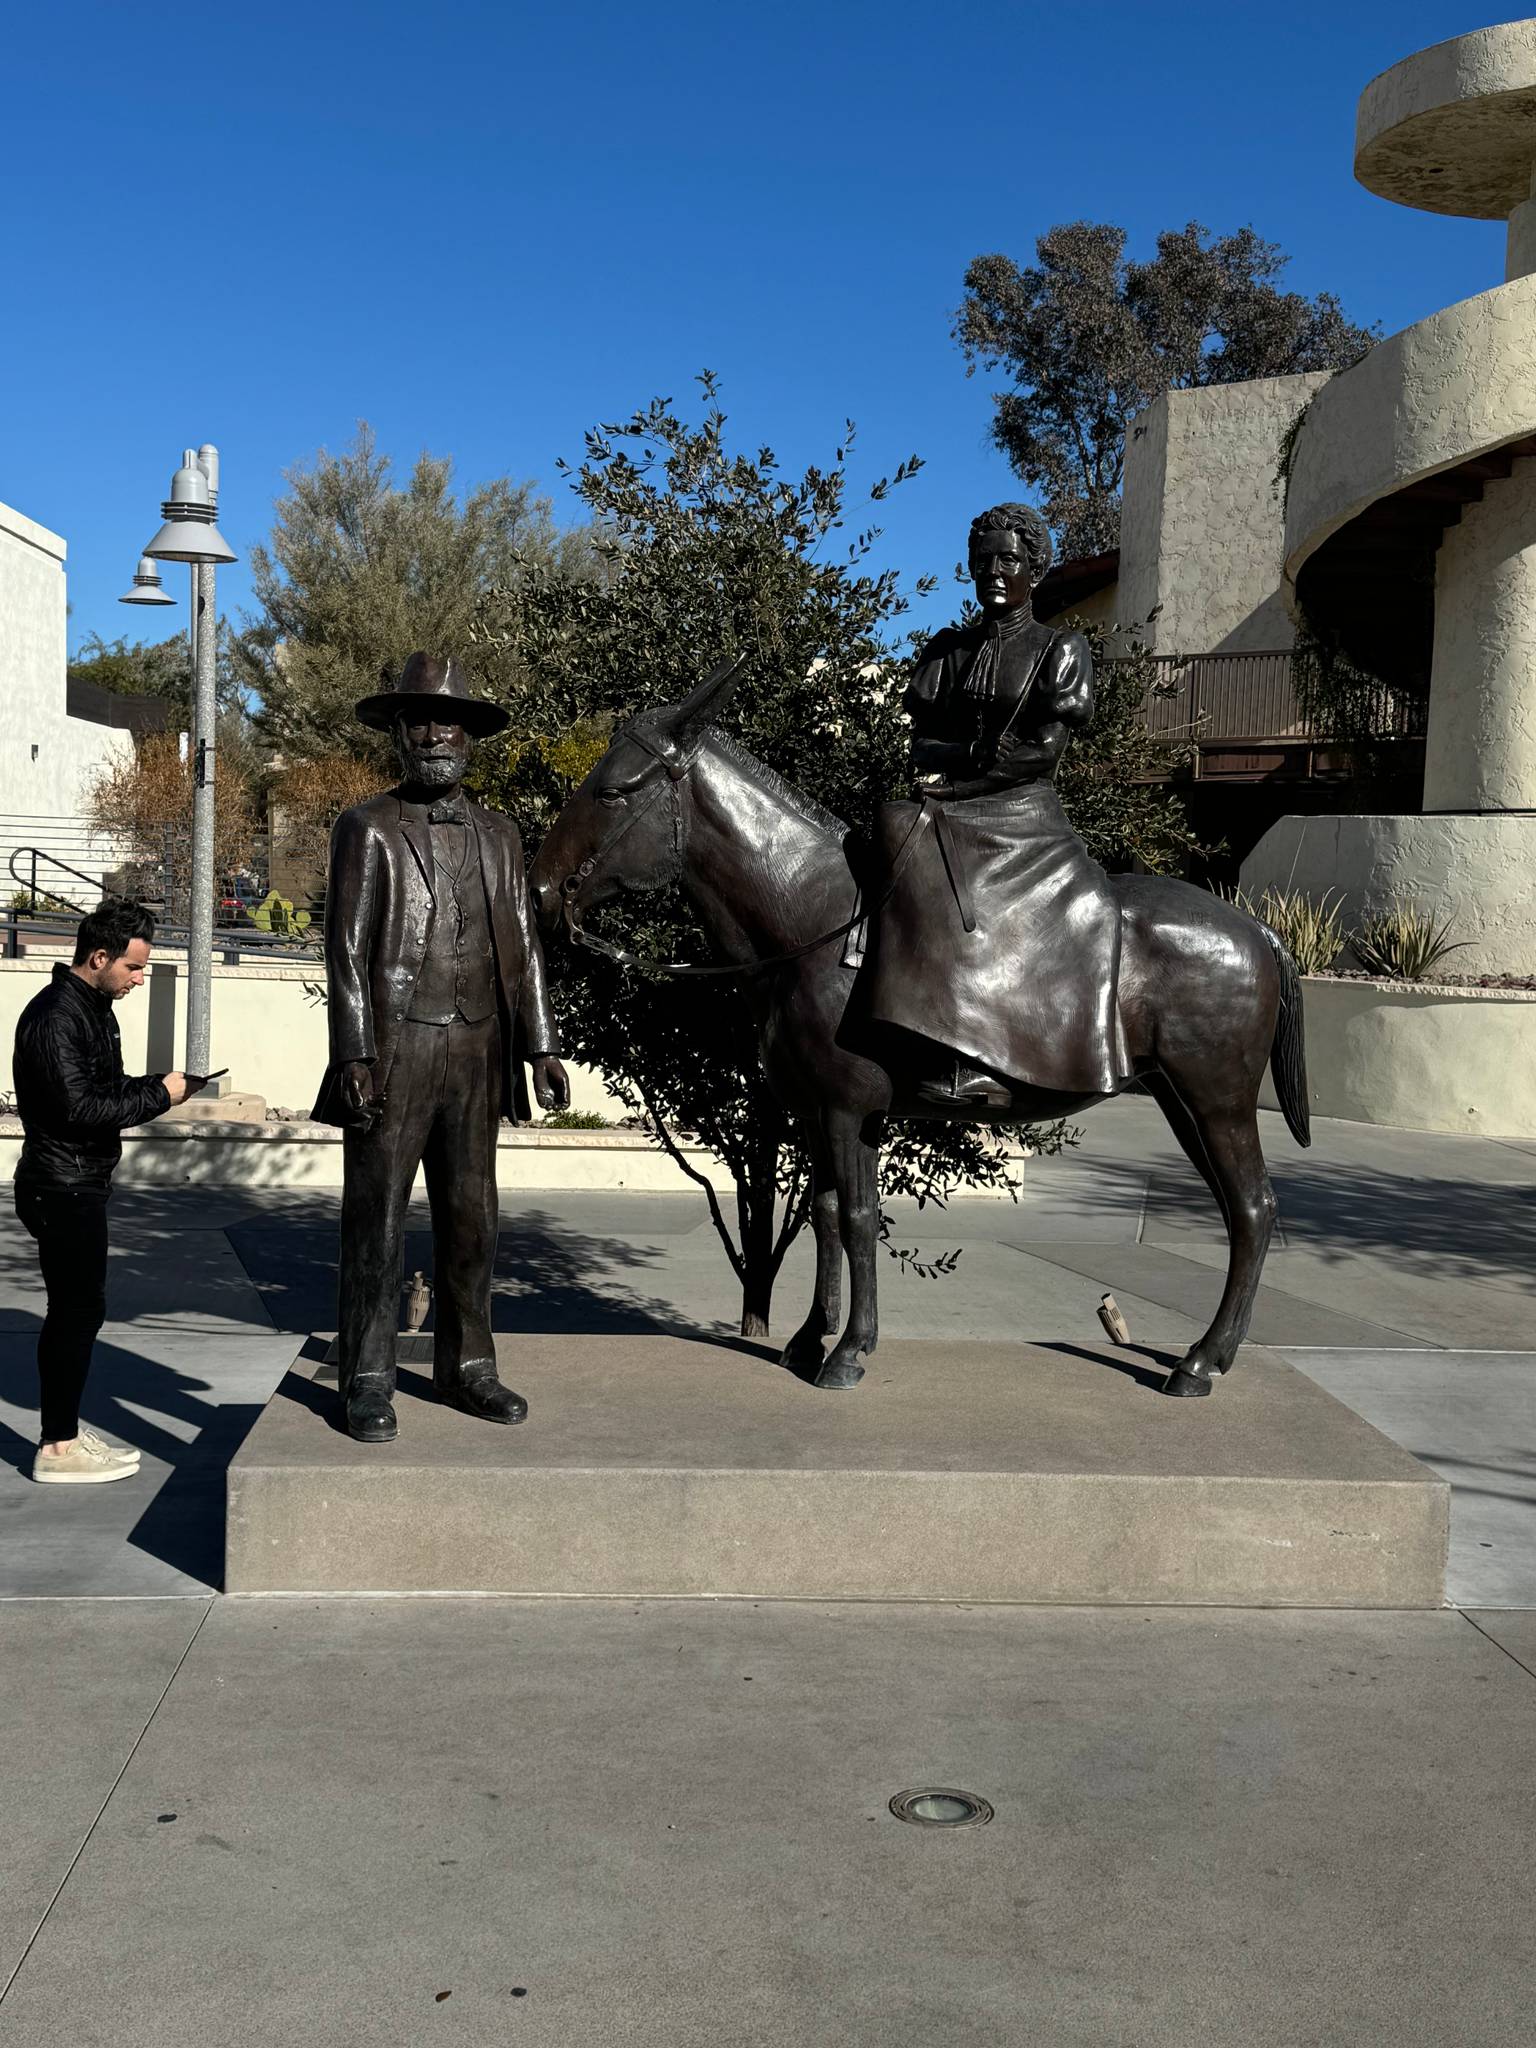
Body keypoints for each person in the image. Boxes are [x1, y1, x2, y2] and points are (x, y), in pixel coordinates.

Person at [312, 652, 569, 1444]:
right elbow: (346, 948)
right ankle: (366, 1377)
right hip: (396, 1050)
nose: (433, 733)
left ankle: (471, 1367)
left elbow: (523, 945)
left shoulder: (500, 833)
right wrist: (353, 1051)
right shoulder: (367, 826)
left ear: (470, 736)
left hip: (479, 1049)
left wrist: (542, 1047)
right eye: (418, 719)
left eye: (447, 720)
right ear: (396, 732)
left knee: (472, 1217)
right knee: (376, 1220)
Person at [866, 501, 1130, 1106]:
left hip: (1022, 814)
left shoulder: (1060, 649)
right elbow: (919, 745)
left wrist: (964, 775)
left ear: (1033, 568)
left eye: (1007, 559)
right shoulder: (948, 651)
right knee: (888, 833)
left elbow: (1043, 754)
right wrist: (962, 759)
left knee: (975, 898)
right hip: (952, 802)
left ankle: (964, 1055)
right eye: (982, 561)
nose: (992, 572)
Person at [12, 897, 200, 1483]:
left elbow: (105, 1085)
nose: (140, 979)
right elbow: (80, 1108)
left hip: (79, 1180)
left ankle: (63, 1435)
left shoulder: (92, 1007)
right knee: (75, 1311)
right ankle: (58, 1448)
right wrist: (159, 1097)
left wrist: (155, 1085)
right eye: (135, 968)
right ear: (99, 957)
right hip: (61, 1184)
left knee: (79, 1309)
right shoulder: (55, 1017)